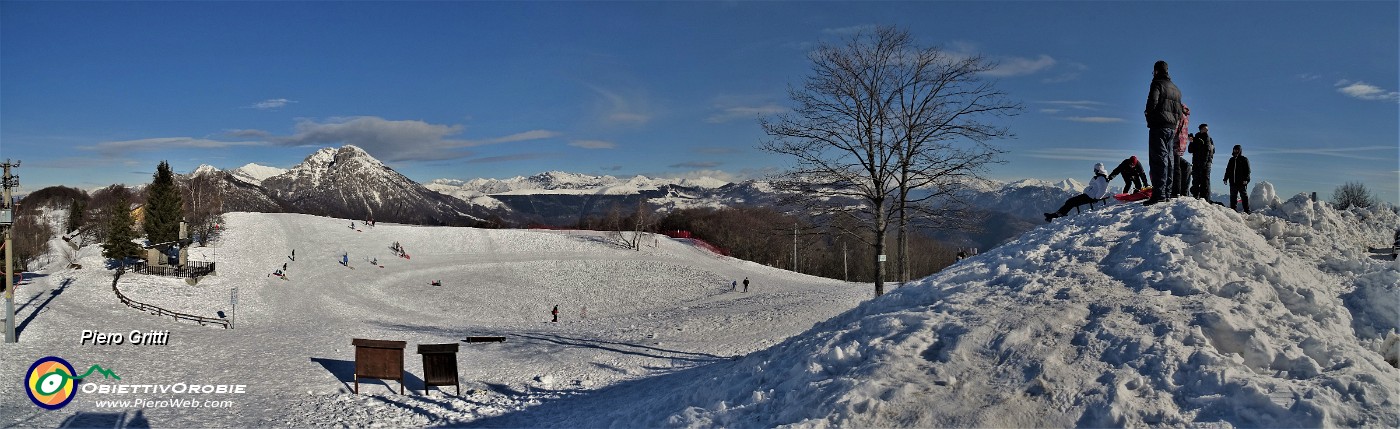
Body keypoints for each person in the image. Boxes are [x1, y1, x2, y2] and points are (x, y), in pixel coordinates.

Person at [1144, 60, 1184, 205]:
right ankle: (1167, 192)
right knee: (1170, 159)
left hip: (1158, 126)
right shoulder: (1176, 89)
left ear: (1156, 71)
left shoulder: (1157, 84)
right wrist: (1173, 123)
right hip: (1171, 127)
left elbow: (1151, 103)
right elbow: (1180, 111)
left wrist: (1149, 116)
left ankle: (1159, 194)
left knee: (1158, 159)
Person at [1044, 163, 1112, 222]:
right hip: (1089, 195)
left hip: (1090, 197)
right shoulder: (1100, 177)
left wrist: (1096, 198)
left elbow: (1103, 190)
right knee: (1070, 201)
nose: (1094, 171)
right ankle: (1057, 214)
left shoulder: (1101, 178)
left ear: (1098, 170)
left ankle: (1057, 215)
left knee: (1071, 202)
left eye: (1095, 170)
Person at [1189, 123, 1216, 200]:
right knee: (1196, 180)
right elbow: (1190, 150)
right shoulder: (1196, 138)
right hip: (1197, 162)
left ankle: (1205, 200)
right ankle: (1196, 197)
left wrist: (1204, 163)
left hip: (1206, 164)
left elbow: (1210, 151)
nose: (1206, 131)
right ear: (1200, 129)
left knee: (1205, 182)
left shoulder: (1208, 139)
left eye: (1207, 129)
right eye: (1204, 129)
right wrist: (1191, 142)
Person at [1223, 144, 1251, 213]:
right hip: (1233, 182)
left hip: (1241, 182)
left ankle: (1247, 210)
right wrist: (1225, 178)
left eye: (1237, 150)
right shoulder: (1231, 160)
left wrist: (1246, 180)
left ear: (1240, 151)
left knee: (1244, 197)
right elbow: (1228, 170)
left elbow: (1248, 171)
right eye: (1235, 150)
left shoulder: (1244, 159)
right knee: (1233, 197)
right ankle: (1233, 210)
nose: (1236, 151)